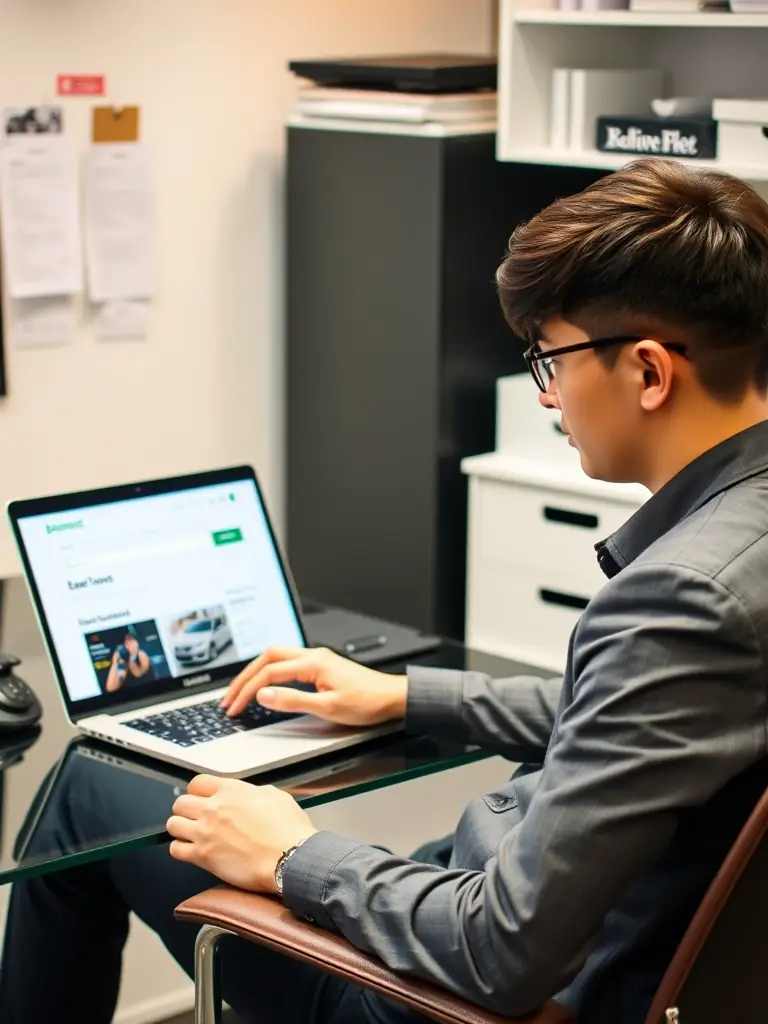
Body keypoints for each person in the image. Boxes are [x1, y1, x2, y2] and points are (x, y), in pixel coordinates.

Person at [3, 156, 768, 1024]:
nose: (547, 398)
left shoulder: (680, 599)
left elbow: (500, 949)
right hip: (526, 914)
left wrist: (293, 853)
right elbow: (634, 720)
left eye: (549, 361)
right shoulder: (733, 565)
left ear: (650, 373)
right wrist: (403, 695)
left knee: (85, 797)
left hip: (449, 995)